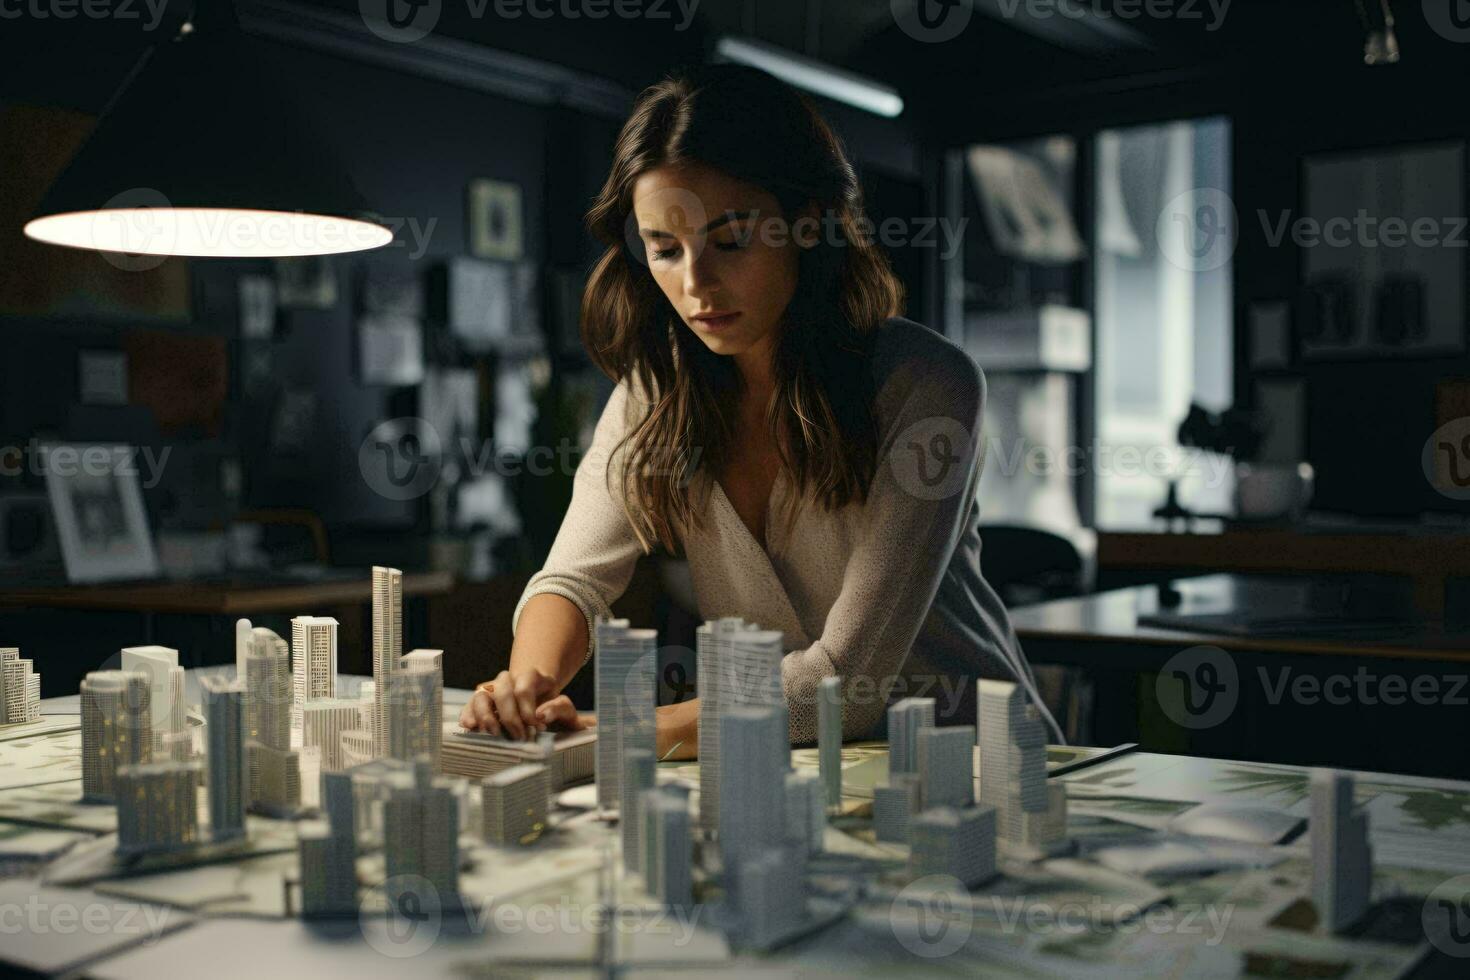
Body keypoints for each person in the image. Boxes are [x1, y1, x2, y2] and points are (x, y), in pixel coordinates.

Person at [459, 63, 1060, 757]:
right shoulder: (653, 396)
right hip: (800, 773)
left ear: (807, 224)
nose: (695, 285)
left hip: (990, 771)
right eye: (664, 249)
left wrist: (618, 732)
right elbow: (574, 579)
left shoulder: (926, 387)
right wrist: (525, 689)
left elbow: (844, 684)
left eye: (731, 240)